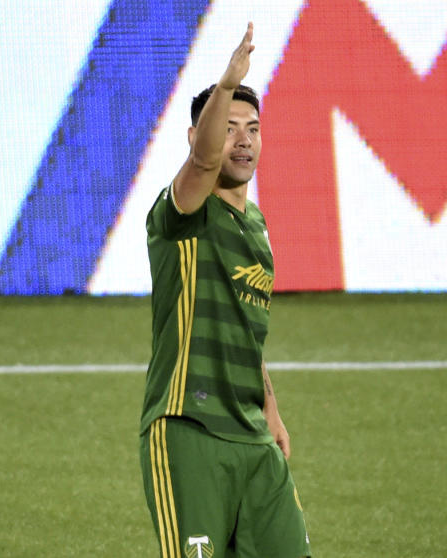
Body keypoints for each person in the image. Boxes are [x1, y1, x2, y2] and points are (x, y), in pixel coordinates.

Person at [139, 22, 312, 558]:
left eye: (253, 128)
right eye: (230, 126)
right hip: (189, 429)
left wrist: (272, 410)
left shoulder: (257, 226)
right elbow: (204, 164)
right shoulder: (184, 212)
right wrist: (226, 82)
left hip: (253, 438)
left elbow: (247, 330)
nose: (243, 139)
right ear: (198, 135)